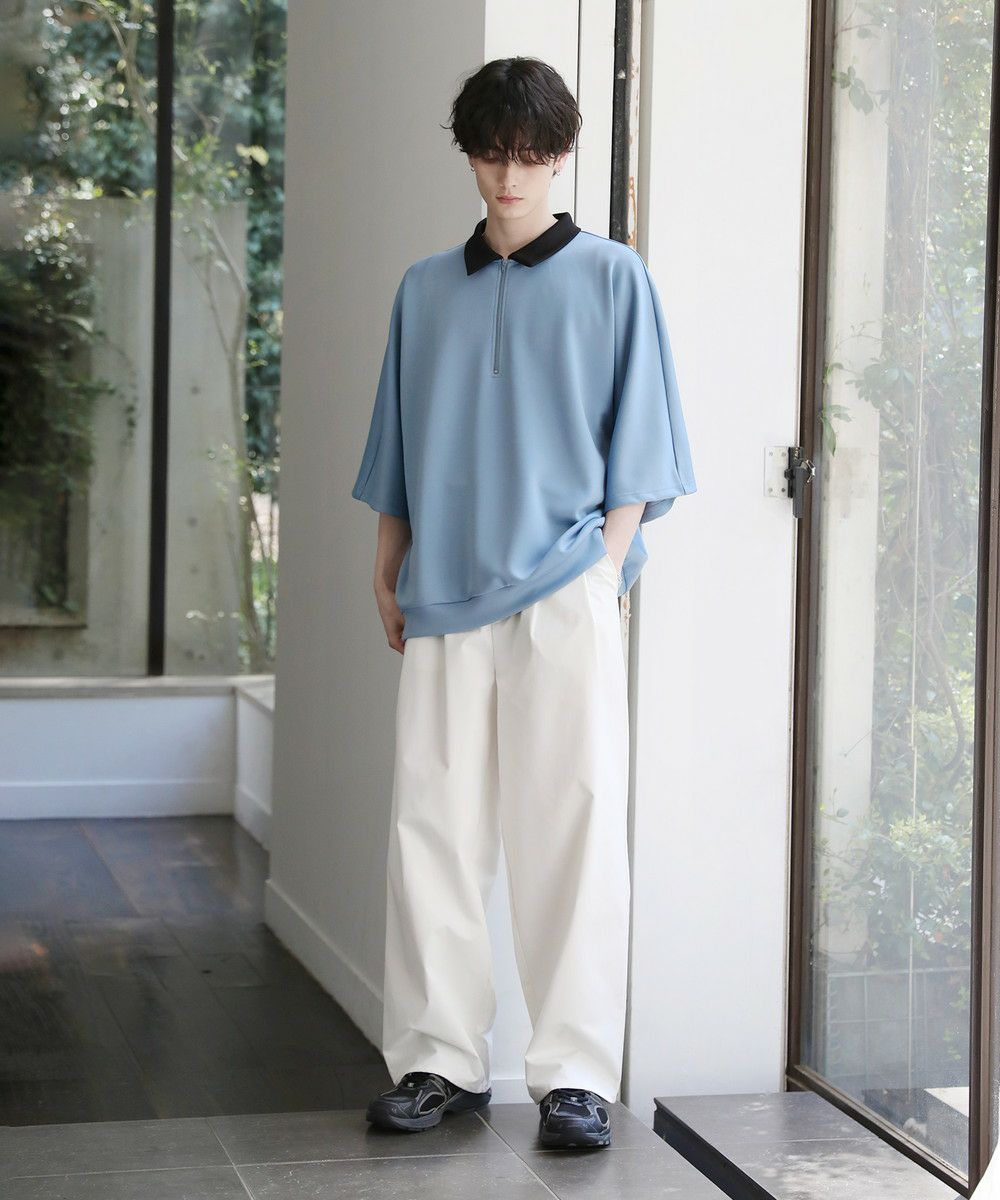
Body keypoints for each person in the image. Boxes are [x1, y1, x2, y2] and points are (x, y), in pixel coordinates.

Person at [351, 56, 696, 1150]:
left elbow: (644, 444)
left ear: (560, 156)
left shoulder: (613, 278)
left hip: (562, 590)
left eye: (532, 155)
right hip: (443, 593)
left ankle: (575, 1076)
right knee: (432, 831)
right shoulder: (423, 289)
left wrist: (603, 569)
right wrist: (386, 567)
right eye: (493, 153)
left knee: (572, 830)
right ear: (468, 154)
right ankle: (438, 1060)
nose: (511, 175)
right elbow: (400, 448)